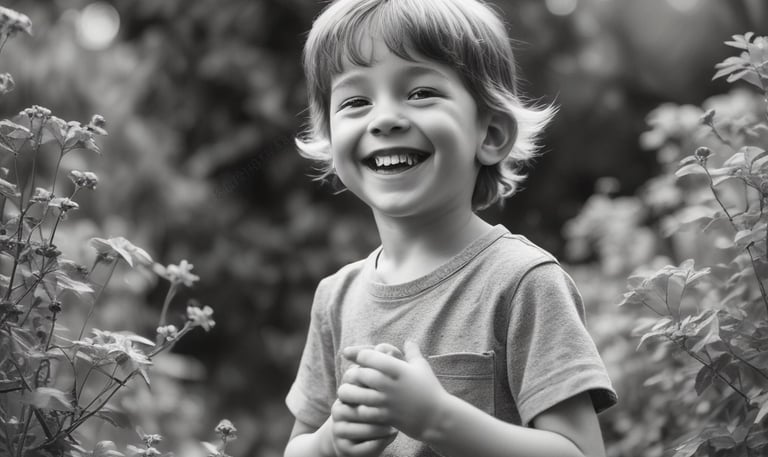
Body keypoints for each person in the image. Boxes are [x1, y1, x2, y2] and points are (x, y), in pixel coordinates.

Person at [284, 0, 617, 456]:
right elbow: (298, 448)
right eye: (356, 101)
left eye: (420, 93)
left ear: (491, 134)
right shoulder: (335, 298)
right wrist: (330, 443)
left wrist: (438, 420)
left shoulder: (522, 282)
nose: (384, 119)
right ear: (330, 143)